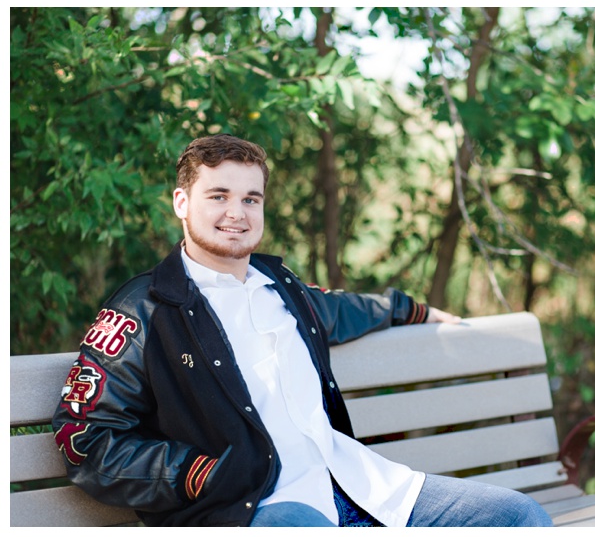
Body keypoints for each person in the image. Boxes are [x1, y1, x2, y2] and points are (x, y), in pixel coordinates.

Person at [52, 134, 553, 527]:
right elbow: (85, 437)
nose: (236, 213)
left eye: (251, 199)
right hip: (256, 508)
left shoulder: (281, 288)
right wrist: (199, 472)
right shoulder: (143, 312)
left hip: (356, 483)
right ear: (182, 202)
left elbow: (342, 310)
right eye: (218, 195)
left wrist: (409, 309)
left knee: (519, 517)